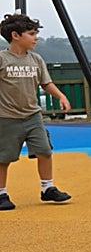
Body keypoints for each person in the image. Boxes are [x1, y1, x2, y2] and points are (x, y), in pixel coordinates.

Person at [0, 13, 72, 210]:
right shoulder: (2, 59)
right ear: (15, 35)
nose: (36, 38)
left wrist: (61, 96)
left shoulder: (36, 59)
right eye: (31, 34)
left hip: (33, 115)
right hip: (6, 117)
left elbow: (45, 82)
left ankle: (47, 188)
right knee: (3, 157)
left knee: (44, 151)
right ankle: (1, 194)